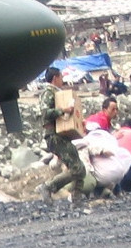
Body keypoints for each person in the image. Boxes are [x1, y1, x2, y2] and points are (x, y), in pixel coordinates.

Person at [36, 67, 92, 204]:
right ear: (55, 78)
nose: (62, 80)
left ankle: (76, 197)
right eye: (61, 77)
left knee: (80, 168)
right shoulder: (48, 93)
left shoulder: (58, 93)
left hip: (61, 135)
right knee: (77, 168)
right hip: (54, 136)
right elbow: (44, 113)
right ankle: (48, 187)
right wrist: (63, 110)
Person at [75, 126, 131, 196]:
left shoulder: (87, 142)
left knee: (95, 171)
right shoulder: (110, 140)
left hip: (102, 177)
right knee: (110, 167)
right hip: (118, 174)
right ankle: (116, 192)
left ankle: (98, 194)